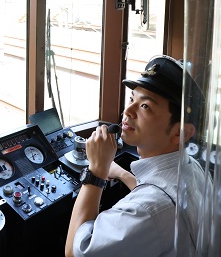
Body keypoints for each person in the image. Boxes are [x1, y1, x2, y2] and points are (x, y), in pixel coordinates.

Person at [65, 55, 208, 257]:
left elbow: (74, 252)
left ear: (180, 133)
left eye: (145, 106)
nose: (128, 111)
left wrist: (96, 172)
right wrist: (122, 174)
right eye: (132, 99)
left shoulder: (146, 212)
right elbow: (161, 193)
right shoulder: (193, 169)